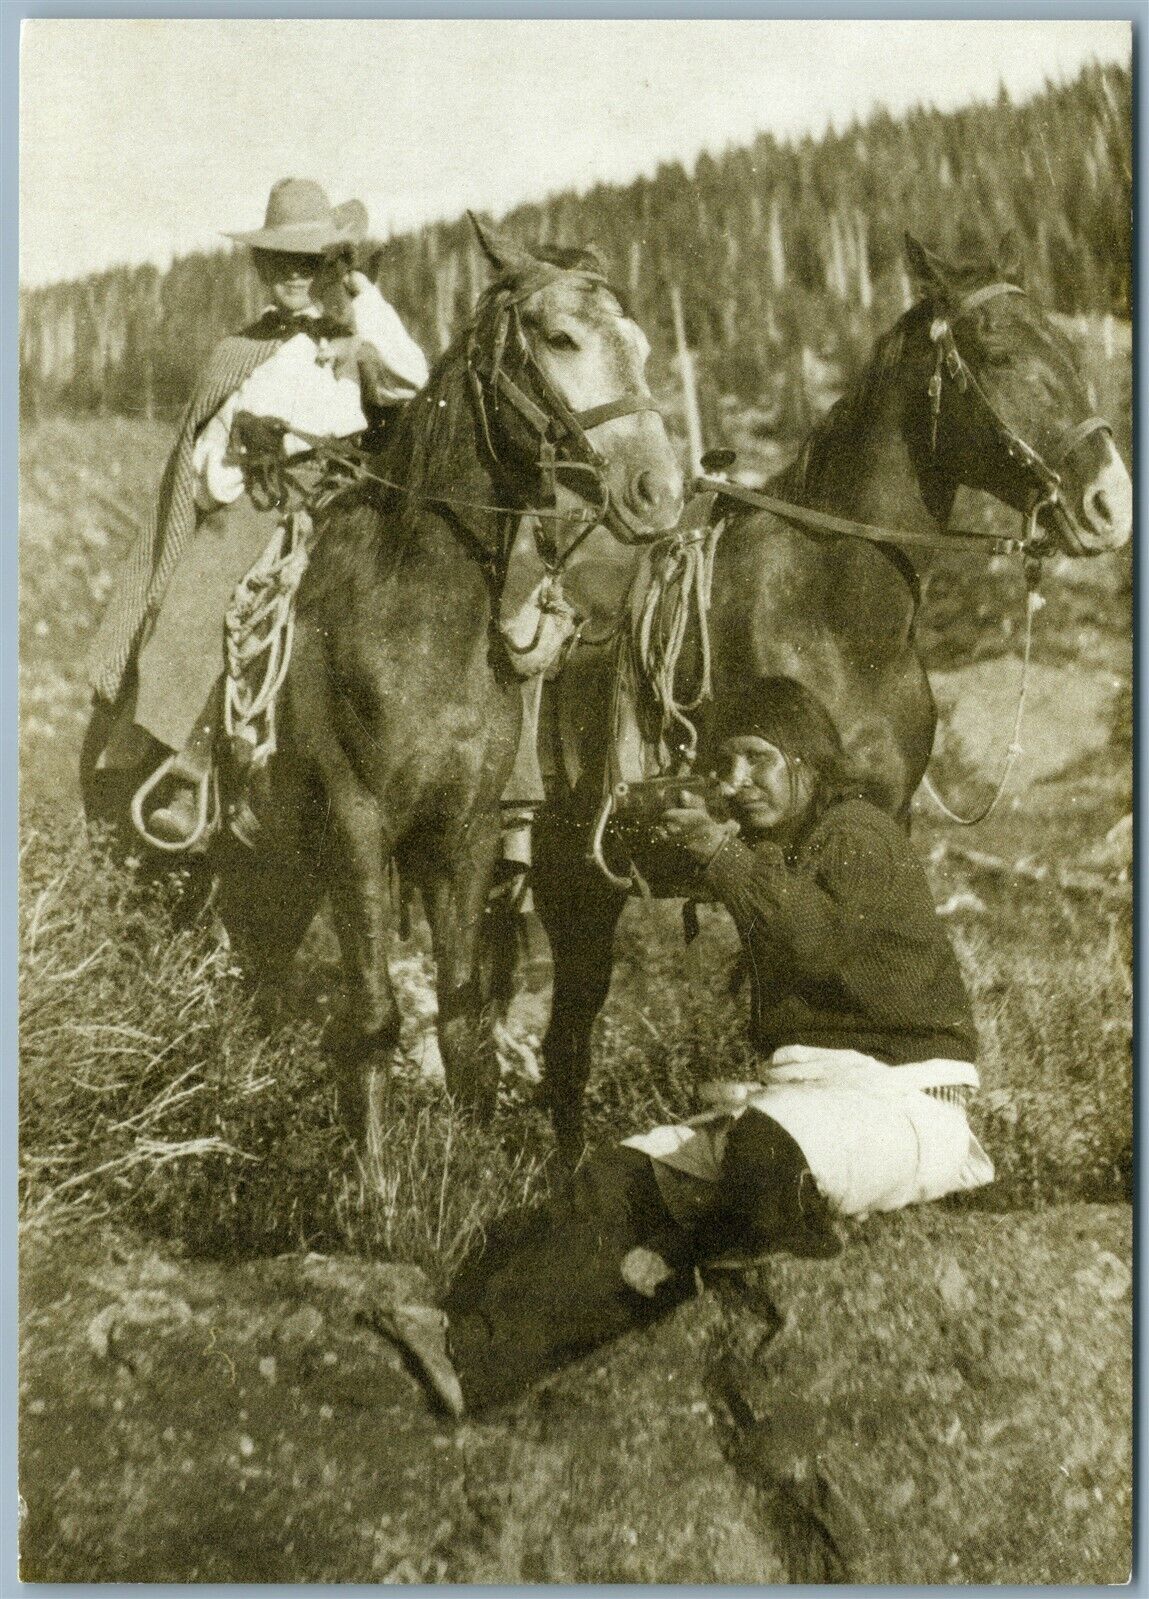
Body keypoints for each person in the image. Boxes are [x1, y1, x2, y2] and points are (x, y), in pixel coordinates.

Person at [373, 676, 994, 1418]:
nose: (735, 783)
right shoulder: (784, 844)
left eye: (755, 760)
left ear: (805, 760)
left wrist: (717, 850)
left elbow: (809, 940)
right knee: (614, 1179)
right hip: (813, 1095)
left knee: (762, 1153)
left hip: (906, 1095)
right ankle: (474, 1361)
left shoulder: (858, 830)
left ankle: (678, 1263)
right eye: (724, 764)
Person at [87, 178, 429, 845]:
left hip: (351, 493)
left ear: (333, 264)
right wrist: (249, 452)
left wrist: (357, 308)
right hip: (266, 496)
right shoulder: (238, 355)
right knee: (202, 580)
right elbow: (205, 466)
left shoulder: (358, 335)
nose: (295, 278)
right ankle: (185, 758)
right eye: (280, 264)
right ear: (260, 268)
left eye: (313, 263)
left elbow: (413, 377)